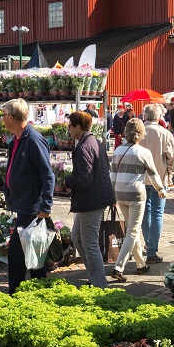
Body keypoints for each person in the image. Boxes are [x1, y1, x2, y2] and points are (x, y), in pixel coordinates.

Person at [0, 98, 55, 293]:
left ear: (12, 118)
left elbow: (48, 175)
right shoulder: (16, 140)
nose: (2, 119)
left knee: (22, 255)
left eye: (3, 115)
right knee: (31, 256)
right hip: (22, 205)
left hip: (32, 208)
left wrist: (46, 206)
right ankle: (35, 292)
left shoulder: (33, 139)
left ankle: (18, 293)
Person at [108, 118, 166, 282]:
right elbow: (153, 174)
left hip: (120, 194)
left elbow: (112, 175)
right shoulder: (143, 152)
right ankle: (119, 268)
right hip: (136, 195)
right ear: (141, 133)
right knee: (132, 231)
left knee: (133, 230)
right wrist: (160, 190)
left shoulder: (118, 150)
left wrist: (112, 194)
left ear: (126, 132)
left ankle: (141, 265)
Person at [63, 110, 115, 287]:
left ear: (78, 127)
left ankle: (100, 285)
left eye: (70, 126)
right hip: (92, 199)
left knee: (89, 243)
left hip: (91, 200)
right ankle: (94, 278)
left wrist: (67, 180)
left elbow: (85, 180)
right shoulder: (92, 141)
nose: (68, 129)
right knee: (77, 238)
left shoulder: (85, 146)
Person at [139, 104, 174, 264]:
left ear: (145, 116)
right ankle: (152, 250)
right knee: (157, 214)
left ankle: (149, 245)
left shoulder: (139, 132)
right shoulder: (165, 133)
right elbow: (173, 157)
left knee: (144, 213)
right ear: (159, 116)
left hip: (140, 178)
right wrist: (170, 172)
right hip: (159, 179)